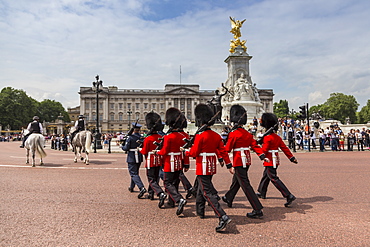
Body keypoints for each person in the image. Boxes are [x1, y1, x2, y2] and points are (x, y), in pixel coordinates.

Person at [182, 103, 232, 232]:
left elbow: (194, 152)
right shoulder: (216, 135)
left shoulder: (200, 135)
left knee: (206, 192)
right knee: (200, 188)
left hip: (202, 165)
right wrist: (229, 165)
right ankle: (201, 211)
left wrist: (185, 151)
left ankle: (222, 216)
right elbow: (223, 151)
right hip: (210, 166)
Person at [222, 105, 266, 219]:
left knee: (245, 185)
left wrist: (218, 152)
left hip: (238, 160)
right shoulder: (247, 133)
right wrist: (262, 155)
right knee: (237, 181)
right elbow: (255, 145)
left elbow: (227, 149)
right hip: (247, 160)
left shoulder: (233, 133)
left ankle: (257, 208)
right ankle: (229, 197)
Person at [256, 113, 298, 208]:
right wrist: (291, 158)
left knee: (273, 178)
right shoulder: (276, 137)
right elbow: (285, 148)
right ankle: (261, 192)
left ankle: (288, 195)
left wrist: (256, 147)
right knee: (266, 176)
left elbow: (264, 150)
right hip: (275, 159)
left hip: (270, 160)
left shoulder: (267, 137)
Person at [155, 108, 189, 216]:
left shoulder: (168, 137)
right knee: (175, 182)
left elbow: (164, 151)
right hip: (179, 161)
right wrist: (186, 163)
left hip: (170, 162)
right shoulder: (184, 136)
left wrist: (157, 152)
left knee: (167, 183)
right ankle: (171, 201)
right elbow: (185, 151)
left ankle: (179, 200)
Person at [139, 112, 167, 207]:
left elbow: (144, 151)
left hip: (151, 159)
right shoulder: (161, 137)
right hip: (159, 159)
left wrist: (139, 149)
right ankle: (151, 194)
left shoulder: (148, 138)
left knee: (151, 179)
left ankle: (160, 193)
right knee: (156, 177)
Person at [122, 122, 147, 199]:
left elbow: (126, 148)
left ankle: (141, 187)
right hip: (139, 156)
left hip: (132, 157)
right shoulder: (141, 137)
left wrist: (122, 146)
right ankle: (131, 187)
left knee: (133, 173)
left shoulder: (130, 137)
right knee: (135, 172)